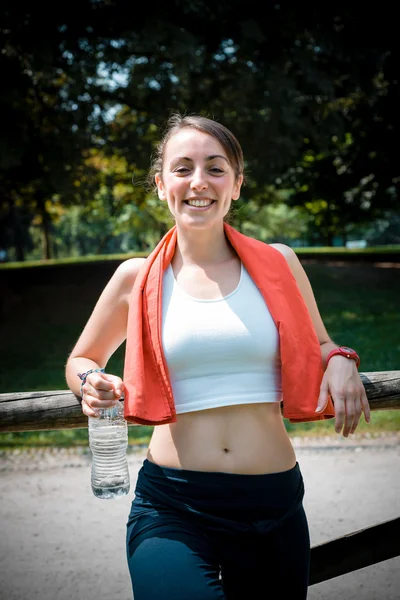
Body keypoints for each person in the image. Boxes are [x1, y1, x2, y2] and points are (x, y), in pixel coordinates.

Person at [65, 113, 371, 599]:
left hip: (273, 504)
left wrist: (340, 360)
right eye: (182, 168)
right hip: (172, 506)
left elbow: (322, 344)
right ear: (161, 183)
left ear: (237, 184)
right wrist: (90, 383)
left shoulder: (281, 263)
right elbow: (81, 358)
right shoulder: (134, 277)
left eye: (215, 167)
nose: (198, 182)